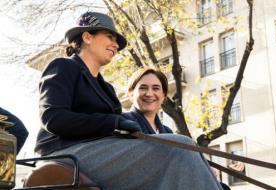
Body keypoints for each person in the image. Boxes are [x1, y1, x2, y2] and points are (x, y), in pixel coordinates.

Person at [34, 11, 222, 190]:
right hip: (64, 154)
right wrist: (113, 122)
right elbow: (53, 118)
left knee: (186, 149)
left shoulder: (107, 89)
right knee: (181, 145)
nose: (115, 45)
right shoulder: (64, 67)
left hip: (98, 153)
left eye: (116, 40)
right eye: (109, 36)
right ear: (87, 37)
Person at [123, 68, 231, 190]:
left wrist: (203, 168)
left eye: (156, 88)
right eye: (143, 87)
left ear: (163, 96)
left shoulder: (167, 131)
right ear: (131, 93)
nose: (149, 93)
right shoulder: (123, 123)